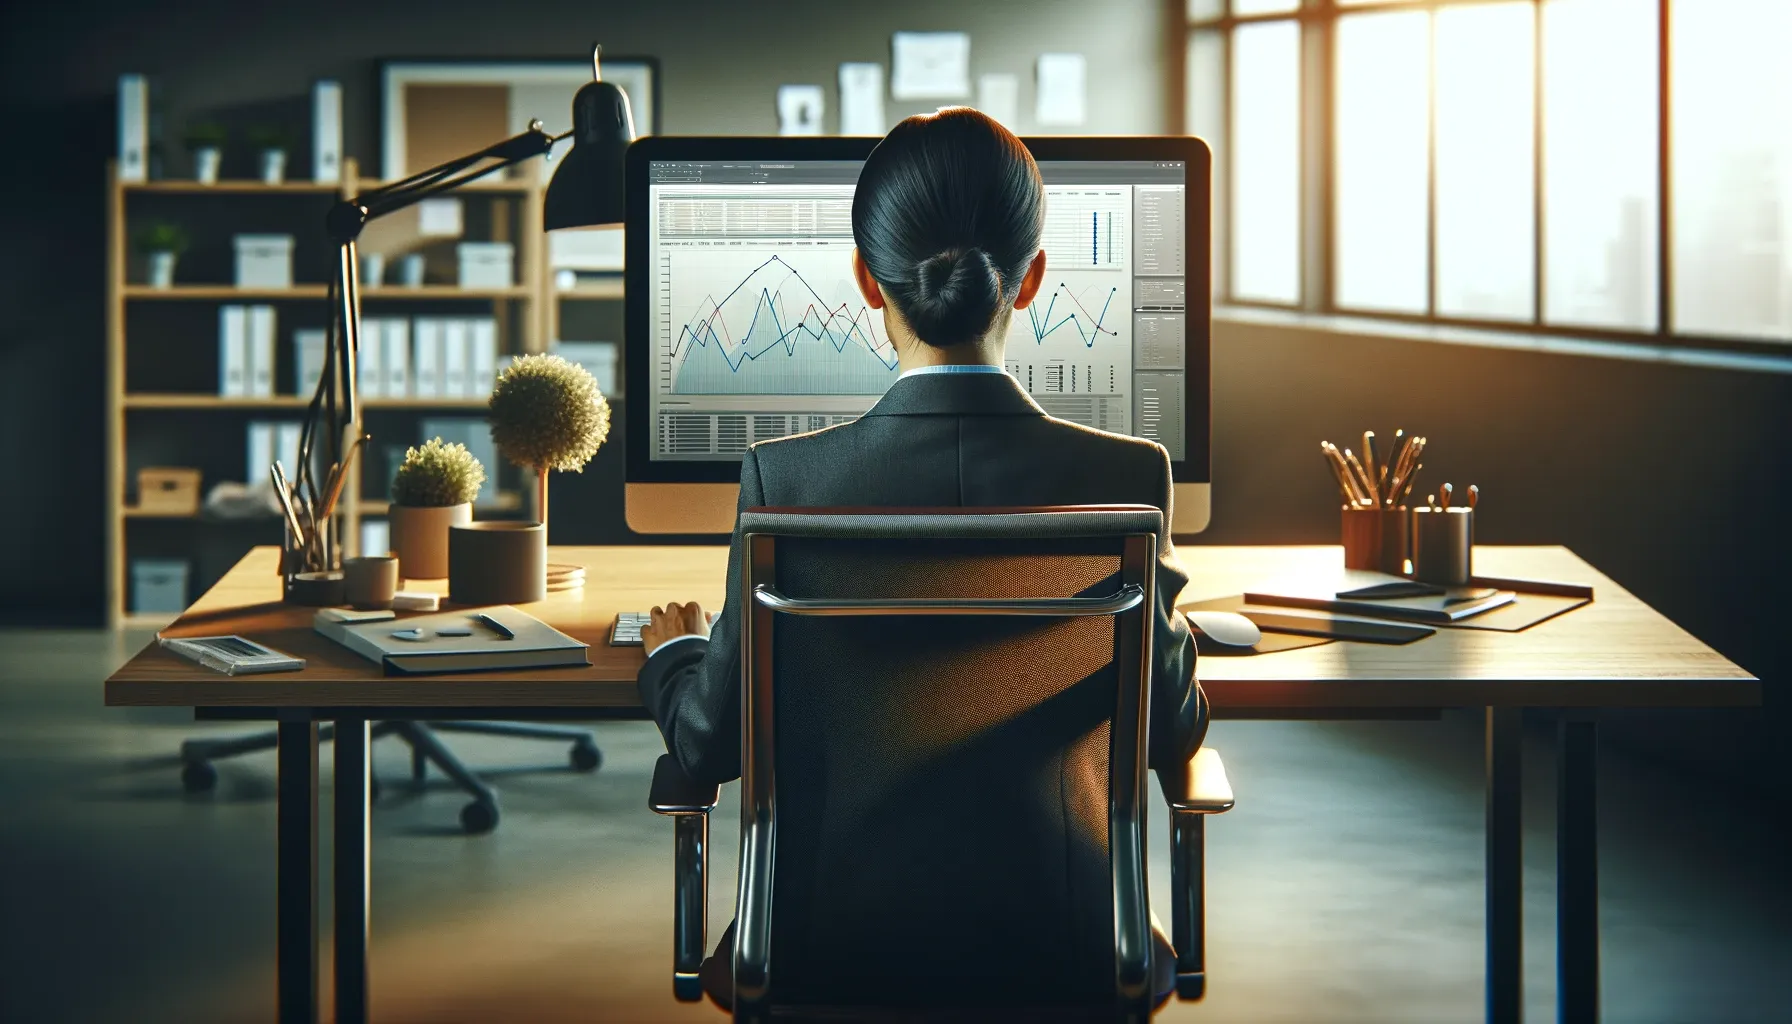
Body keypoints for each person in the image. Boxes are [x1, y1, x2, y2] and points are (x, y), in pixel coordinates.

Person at [636, 107, 1208, 1009]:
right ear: (1032, 282)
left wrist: (674, 654)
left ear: (868, 281)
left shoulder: (786, 481)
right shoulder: (1129, 476)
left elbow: (707, 743)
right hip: (1067, 946)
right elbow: (1175, 730)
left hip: (827, 949)